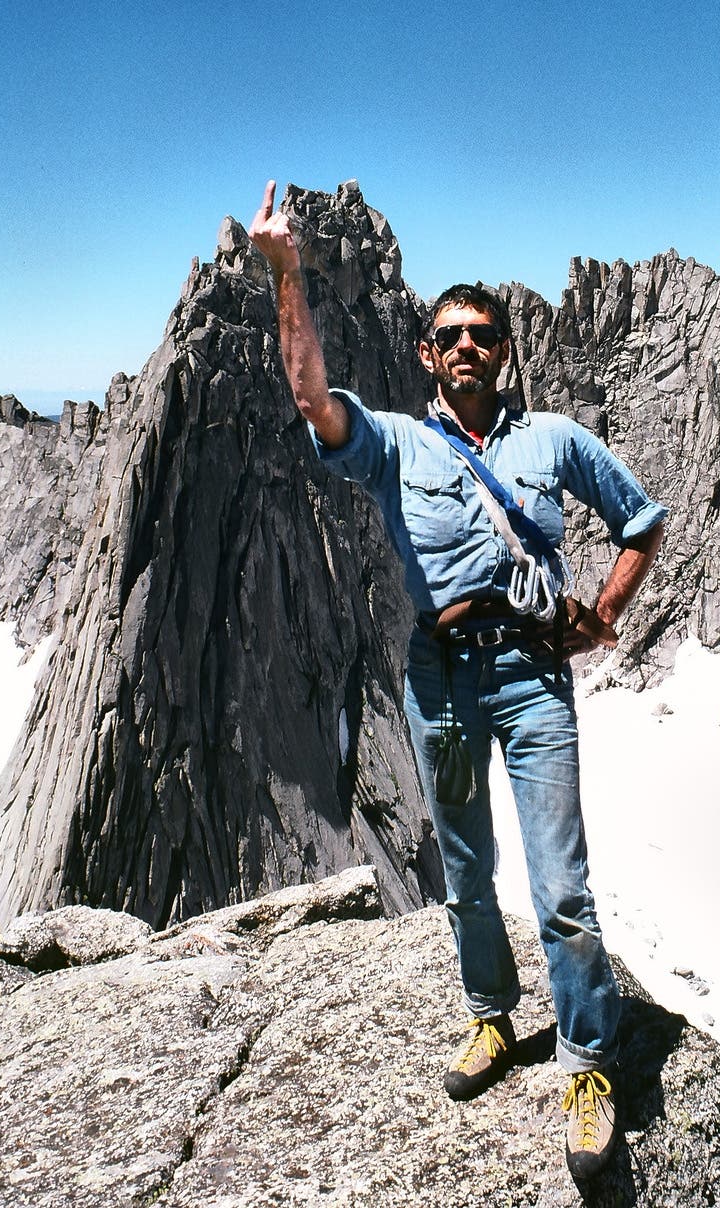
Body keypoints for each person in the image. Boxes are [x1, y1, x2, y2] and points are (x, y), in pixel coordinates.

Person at [248, 180, 666, 1177]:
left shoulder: (553, 440)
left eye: (485, 332)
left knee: (561, 884)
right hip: (439, 683)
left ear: (505, 351)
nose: (468, 344)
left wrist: (602, 616)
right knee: (470, 870)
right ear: (428, 355)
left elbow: (643, 522)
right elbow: (312, 397)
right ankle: (490, 1016)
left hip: (528, 680)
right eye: (451, 334)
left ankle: (589, 1063)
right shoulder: (397, 442)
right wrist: (287, 273)